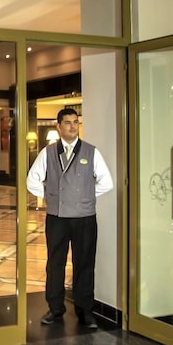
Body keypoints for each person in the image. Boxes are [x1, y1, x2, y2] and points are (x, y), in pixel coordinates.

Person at [26, 107, 113, 328]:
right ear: (58, 126)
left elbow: (107, 182)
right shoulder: (48, 152)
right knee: (55, 264)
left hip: (85, 218)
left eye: (75, 122)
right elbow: (32, 180)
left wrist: (84, 196)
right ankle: (55, 309)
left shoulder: (91, 152)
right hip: (57, 217)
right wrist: (51, 196)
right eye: (67, 122)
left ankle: (85, 311)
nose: (73, 126)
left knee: (84, 264)